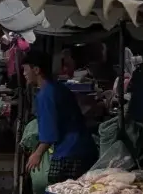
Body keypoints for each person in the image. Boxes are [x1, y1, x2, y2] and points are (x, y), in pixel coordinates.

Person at [21, 55, 96, 185]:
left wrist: (37, 154)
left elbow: (49, 133)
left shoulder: (46, 95)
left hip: (69, 152)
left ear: (36, 70)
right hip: (83, 148)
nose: (24, 73)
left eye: (25, 69)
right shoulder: (58, 88)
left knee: (59, 189)